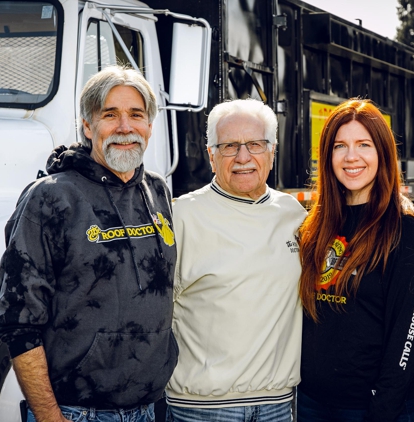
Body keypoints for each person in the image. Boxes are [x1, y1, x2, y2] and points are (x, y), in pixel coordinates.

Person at [0, 65, 178, 422]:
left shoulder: (157, 190)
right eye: (110, 115)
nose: (125, 128)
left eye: (136, 115)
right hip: (75, 412)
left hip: (148, 410)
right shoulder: (50, 198)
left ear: (150, 126)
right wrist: (50, 416)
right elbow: (19, 322)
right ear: (87, 126)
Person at [165, 99, 307, 422]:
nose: (243, 157)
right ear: (211, 154)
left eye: (255, 144)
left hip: (278, 407)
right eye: (229, 146)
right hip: (201, 410)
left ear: (272, 150)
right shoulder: (182, 216)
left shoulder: (294, 216)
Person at [297, 99, 414, 422]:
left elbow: (408, 333)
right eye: (340, 146)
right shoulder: (316, 225)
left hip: (380, 408)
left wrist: (382, 410)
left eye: (363, 145)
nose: (351, 156)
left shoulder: (407, 228)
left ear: (382, 153)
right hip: (314, 404)